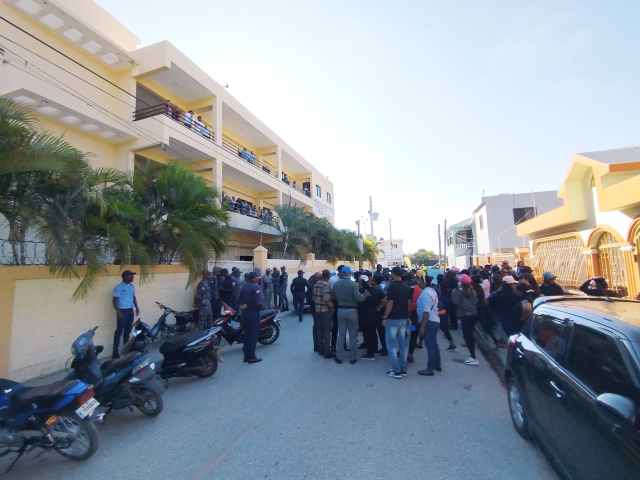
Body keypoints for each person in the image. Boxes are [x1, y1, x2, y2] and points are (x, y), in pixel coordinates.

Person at [332, 266, 369, 364]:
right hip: (352, 311)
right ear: (349, 274)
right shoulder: (353, 284)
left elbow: (334, 297)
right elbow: (359, 299)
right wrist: (365, 295)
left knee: (341, 335)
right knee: (353, 335)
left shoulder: (336, 284)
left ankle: (339, 357)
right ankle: (353, 357)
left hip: (340, 310)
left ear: (342, 273)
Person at [382, 266, 412, 379]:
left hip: (393, 319)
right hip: (404, 319)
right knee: (403, 346)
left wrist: (385, 317)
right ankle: (403, 369)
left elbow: (390, 303)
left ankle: (396, 370)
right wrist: (408, 316)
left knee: (392, 346)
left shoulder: (392, 287)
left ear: (394, 274)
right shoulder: (407, 287)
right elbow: (409, 304)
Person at [452, 274, 480, 366]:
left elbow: (455, 302)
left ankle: (473, 357)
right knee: (470, 335)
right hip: (473, 315)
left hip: (465, 316)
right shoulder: (472, 291)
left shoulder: (459, 292)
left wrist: (455, 291)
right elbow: (475, 302)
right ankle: (473, 355)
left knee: (467, 336)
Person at [112, 270, 140, 358]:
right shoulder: (119, 287)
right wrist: (118, 312)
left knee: (127, 332)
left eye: (133, 275)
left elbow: (133, 297)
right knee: (119, 332)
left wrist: (137, 307)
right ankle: (115, 353)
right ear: (124, 277)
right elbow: (114, 301)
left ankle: (125, 350)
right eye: (130, 275)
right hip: (122, 312)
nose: (132, 277)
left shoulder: (132, 286)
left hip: (130, 311)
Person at [238, 272, 264, 364]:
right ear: (253, 279)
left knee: (246, 336)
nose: (258, 278)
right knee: (253, 336)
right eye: (257, 277)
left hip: (244, 314)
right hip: (253, 314)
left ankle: (246, 356)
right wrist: (256, 306)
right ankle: (251, 357)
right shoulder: (256, 287)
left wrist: (245, 307)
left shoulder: (244, 287)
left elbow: (239, 301)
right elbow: (259, 303)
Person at [417, 276, 441, 376]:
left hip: (429, 321)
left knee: (430, 345)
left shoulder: (425, 294)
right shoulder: (432, 291)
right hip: (434, 320)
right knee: (434, 344)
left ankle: (430, 368)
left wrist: (422, 327)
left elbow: (426, 312)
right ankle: (437, 364)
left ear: (423, 281)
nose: (417, 283)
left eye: (418, 280)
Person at [359, 274, 384, 360]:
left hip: (365, 315)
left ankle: (370, 353)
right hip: (374, 314)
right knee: (372, 332)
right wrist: (378, 308)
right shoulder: (376, 289)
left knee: (368, 334)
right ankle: (374, 349)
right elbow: (384, 300)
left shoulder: (362, 290)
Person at [312, 270, 334, 358]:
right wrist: (332, 307)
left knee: (319, 331)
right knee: (326, 332)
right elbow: (326, 298)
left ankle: (320, 350)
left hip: (317, 310)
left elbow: (313, 298)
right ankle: (326, 352)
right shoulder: (326, 285)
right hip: (325, 311)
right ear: (328, 276)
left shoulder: (316, 284)